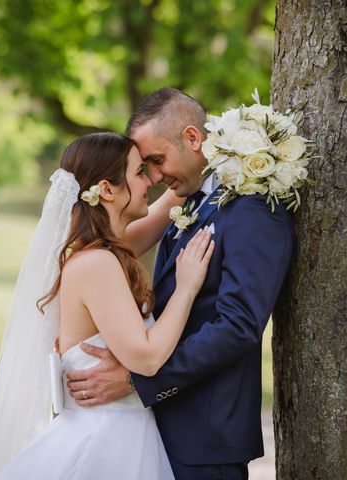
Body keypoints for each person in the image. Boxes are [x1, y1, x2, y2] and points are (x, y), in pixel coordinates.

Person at [65, 88, 296, 479]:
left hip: (204, 435)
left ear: (193, 138)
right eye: (144, 169)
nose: (154, 177)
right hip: (154, 430)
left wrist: (138, 381)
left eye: (155, 161)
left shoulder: (252, 209)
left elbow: (238, 326)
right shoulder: (186, 203)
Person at [0, 132, 214, 479]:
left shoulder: (104, 253)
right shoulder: (97, 264)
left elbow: (165, 207)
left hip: (121, 432)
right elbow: (147, 358)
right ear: (107, 189)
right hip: (105, 442)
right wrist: (187, 288)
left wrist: (214, 149)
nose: (151, 180)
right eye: (140, 172)